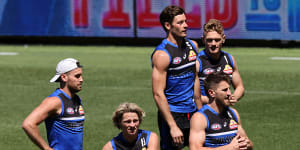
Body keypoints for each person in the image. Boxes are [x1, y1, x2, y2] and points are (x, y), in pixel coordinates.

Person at [151, 5, 202, 150]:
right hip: (173, 114)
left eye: (185, 21)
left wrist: (201, 111)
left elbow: (195, 78)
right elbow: (158, 93)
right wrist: (172, 126)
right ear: (168, 25)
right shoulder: (162, 55)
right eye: (180, 23)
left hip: (193, 112)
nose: (185, 25)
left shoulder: (193, 46)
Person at [22, 58, 85, 150]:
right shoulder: (55, 101)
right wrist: (47, 149)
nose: (81, 80)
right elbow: (28, 124)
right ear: (64, 77)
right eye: (77, 76)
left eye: (81, 76)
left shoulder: (76, 99)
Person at [189, 72, 253, 149]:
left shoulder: (233, 113)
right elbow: (195, 148)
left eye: (229, 89)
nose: (229, 93)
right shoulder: (200, 118)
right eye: (225, 90)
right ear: (212, 93)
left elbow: (249, 144)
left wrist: (246, 144)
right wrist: (228, 148)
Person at [196, 19, 244, 105]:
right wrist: (216, 100)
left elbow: (240, 87)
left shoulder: (229, 59)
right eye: (209, 40)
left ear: (223, 39)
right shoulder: (198, 62)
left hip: (223, 113)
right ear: (203, 40)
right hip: (204, 112)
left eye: (217, 40)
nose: (213, 44)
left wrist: (234, 97)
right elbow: (189, 94)